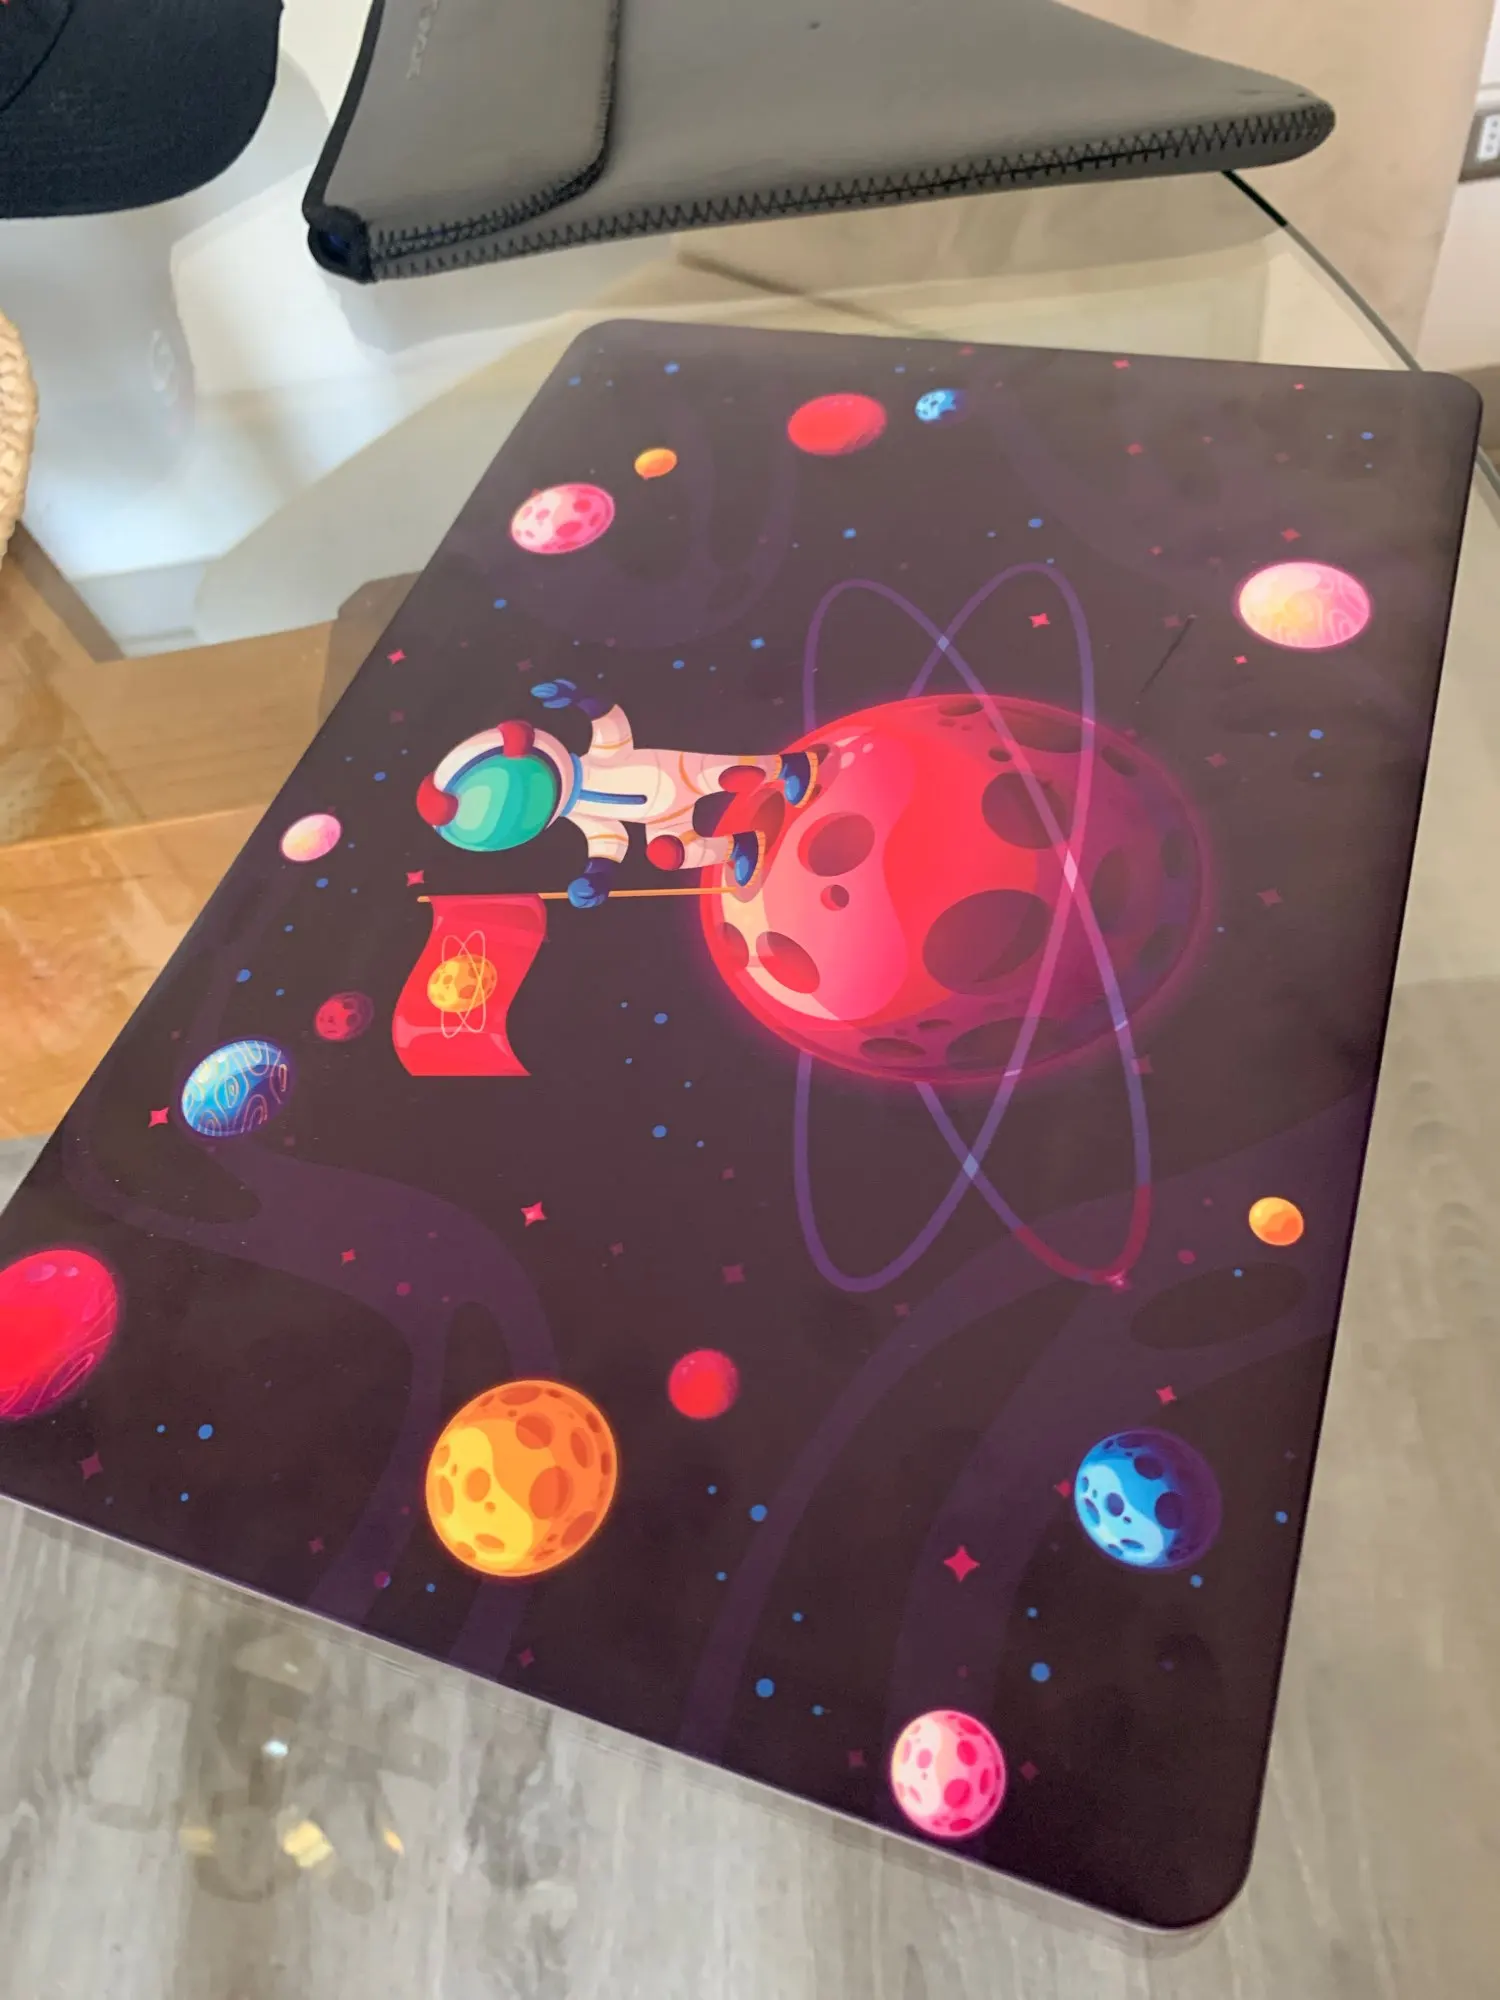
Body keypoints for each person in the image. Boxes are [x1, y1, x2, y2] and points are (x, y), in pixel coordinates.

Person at [415, 678, 818, 907]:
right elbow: (608, 838)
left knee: (729, 775)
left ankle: (788, 768)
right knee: (670, 854)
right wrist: (598, 875)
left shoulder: (600, 760)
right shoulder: (579, 812)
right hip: (660, 818)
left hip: (676, 774)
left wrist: (583, 699)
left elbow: (612, 725)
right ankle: (739, 847)